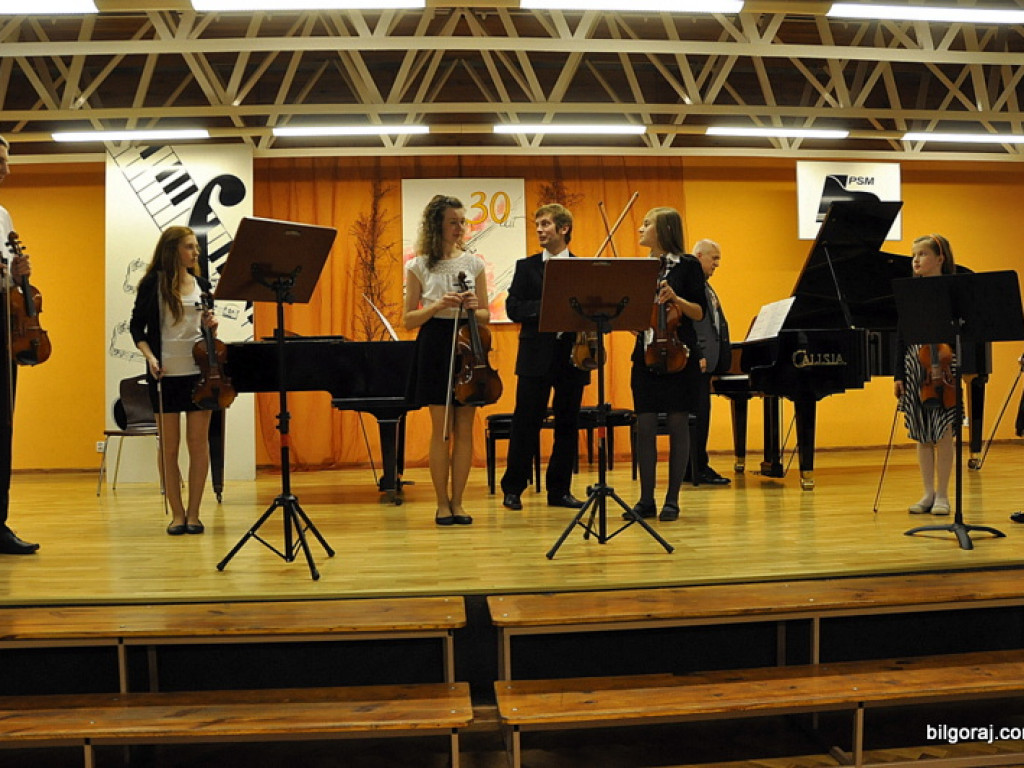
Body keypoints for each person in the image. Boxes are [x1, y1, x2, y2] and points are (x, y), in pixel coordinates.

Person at [403, 195, 491, 526]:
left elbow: (484, 315)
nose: (459, 228)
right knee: (441, 429)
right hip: (435, 343)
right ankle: (441, 503)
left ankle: (459, 502)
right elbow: (409, 320)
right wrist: (438, 305)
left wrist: (471, 307)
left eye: (461, 222)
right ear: (437, 224)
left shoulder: (474, 263)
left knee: (465, 428)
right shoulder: (418, 265)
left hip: (468, 344)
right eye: (452, 222)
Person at [500, 204, 590, 511]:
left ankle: (559, 490)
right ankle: (513, 488)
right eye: (537, 224)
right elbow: (513, 308)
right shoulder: (526, 267)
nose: (539, 229)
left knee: (567, 423)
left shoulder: (583, 268)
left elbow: (592, 311)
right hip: (535, 355)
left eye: (546, 224)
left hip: (572, 356)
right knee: (525, 421)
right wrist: (547, 307)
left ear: (563, 229)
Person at [130, 226, 218, 535]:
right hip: (164, 377)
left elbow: (208, 335)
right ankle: (177, 514)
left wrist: (212, 325)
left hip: (199, 377)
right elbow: (136, 329)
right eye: (190, 247)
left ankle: (194, 514)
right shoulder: (152, 284)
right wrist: (150, 357)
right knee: (168, 448)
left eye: (196, 247)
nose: (196, 253)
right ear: (173, 250)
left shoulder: (203, 285)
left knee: (198, 446)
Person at [627, 207, 706, 522]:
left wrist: (676, 299)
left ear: (664, 230)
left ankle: (672, 499)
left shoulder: (688, 266)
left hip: (679, 355)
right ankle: (646, 500)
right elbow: (630, 311)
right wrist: (632, 319)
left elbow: (699, 312)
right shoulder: (639, 268)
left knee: (677, 424)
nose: (640, 229)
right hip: (645, 355)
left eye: (647, 224)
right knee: (644, 425)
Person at [893, 234, 957, 516]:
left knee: (942, 432)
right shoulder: (909, 293)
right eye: (913, 255)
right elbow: (901, 335)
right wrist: (898, 374)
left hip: (944, 365)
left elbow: (962, 333)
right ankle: (927, 493)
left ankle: (943, 494)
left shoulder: (954, 292)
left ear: (939, 258)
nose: (915, 260)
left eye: (922, 254)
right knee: (921, 433)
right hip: (914, 363)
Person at [0, 135, 40, 554]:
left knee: (3, 427)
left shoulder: (2, 215)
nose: (6, 169)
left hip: (3, 329)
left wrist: (17, 273)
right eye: (0, 160)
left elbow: (9, 279)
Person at [690, 238, 731, 486]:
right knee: (699, 415)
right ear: (699, 257)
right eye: (713, 258)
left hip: (708, 363)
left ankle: (696, 465)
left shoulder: (707, 287)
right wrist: (699, 354)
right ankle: (697, 467)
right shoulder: (693, 287)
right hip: (697, 362)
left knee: (702, 415)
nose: (717, 264)